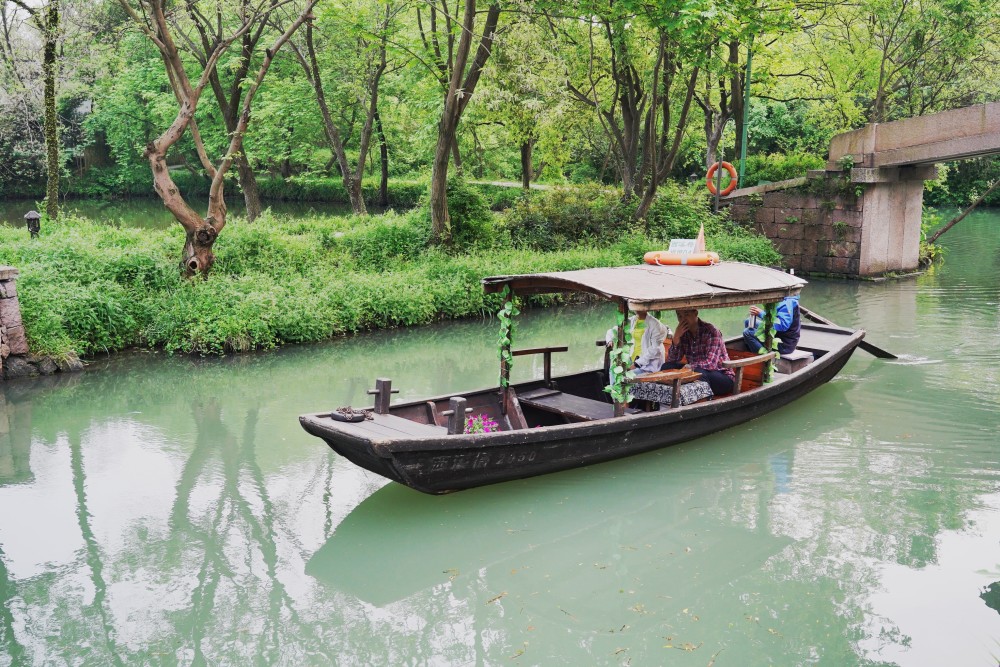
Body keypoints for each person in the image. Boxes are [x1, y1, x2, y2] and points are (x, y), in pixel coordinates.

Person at [660, 308, 734, 396]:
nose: (683, 319)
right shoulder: (683, 334)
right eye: (679, 316)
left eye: (686, 314)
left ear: (695, 313)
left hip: (722, 377)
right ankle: (673, 396)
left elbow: (711, 364)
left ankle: (702, 401)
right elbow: (672, 359)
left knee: (699, 372)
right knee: (666, 367)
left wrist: (689, 367)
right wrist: (676, 339)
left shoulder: (711, 331)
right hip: (696, 372)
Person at [605, 310, 672, 376]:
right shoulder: (633, 320)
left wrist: (636, 364)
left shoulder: (655, 324)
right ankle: (614, 387)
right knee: (614, 370)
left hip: (648, 365)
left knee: (626, 375)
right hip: (633, 359)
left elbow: (655, 350)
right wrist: (610, 340)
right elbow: (614, 330)